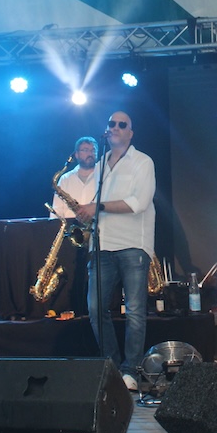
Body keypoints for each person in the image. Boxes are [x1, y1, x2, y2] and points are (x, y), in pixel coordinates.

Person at [72, 111, 156, 392]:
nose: (116, 127)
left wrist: (98, 207)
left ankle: (131, 370)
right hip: (102, 244)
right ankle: (112, 365)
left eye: (123, 124)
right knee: (95, 309)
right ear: (106, 130)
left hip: (133, 243)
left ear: (130, 133)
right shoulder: (99, 166)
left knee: (135, 311)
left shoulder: (143, 161)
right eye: (111, 123)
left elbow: (139, 202)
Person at [50, 136, 99, 219]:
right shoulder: (65, 179)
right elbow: (57, 211)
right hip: (70, 227)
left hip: (97, 226)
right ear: (77, 154)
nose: (90, 154)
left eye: (93, 150)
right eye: (85, 150)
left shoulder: (104, 176)